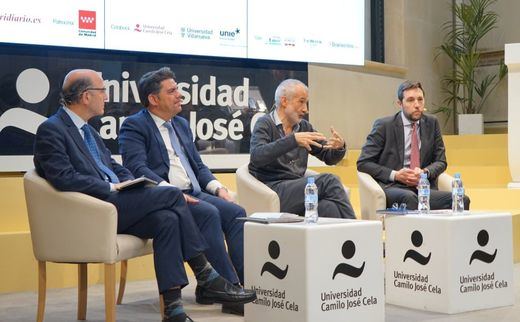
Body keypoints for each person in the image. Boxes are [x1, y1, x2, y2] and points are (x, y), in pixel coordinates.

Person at [33, 69, 256, 322]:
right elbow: (63, 177)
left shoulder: (89, 131)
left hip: (115, 203)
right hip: (95, 210)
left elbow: (114, 167)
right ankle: (206, 274)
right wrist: (111, 188)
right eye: (102, 91)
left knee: (167, 220)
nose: (107, 97)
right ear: (86, 96)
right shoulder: (51, 129)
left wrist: (131, 182)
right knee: (172, 195)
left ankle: (173, 310)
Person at [118, 67, 247, 315]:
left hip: (195, 191)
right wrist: (172, 192)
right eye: (172, 91)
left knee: (235, 212)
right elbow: (137, 168)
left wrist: (218, 187)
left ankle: (242, 285)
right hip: (166, 198)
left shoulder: (181, 124)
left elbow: (197, 165)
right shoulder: (134, 126)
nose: (180, 95)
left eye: (178, 89)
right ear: (153, 100)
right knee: (209, 213)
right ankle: (228, 290)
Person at [248, 79, 356, 219]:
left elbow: (328, 157)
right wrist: (293, 140)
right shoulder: (265, 123)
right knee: (329, 180)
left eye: (306, 103)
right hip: (271, 189)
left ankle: (339, 240)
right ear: (284, 101)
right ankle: (358, 230)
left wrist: (339, 148)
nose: (306, 109)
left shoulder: (304, 127)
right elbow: (257, 156)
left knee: (328, 207)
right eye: (301, 101)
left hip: (297, 189)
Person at [357, 80, 470, 210]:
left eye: (420, 99)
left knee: (462, 200)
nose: (417, 105)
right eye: (410, 100)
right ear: (400, 103)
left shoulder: (431, 123)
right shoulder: (384, 126)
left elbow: (440, 161)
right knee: (410, 198)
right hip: (393, 186)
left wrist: (424, 173)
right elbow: (363, 163)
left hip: (423, 188)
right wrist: (396, 174)